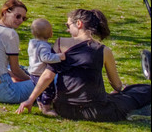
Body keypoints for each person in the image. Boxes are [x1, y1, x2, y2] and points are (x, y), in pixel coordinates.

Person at [18, 8, 152, 121]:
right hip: (97, 111)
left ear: (79, 24)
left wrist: (30, 100)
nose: (67, 31)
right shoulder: (103, 50)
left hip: (65, 109)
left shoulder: (60, 44)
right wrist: (118, 89)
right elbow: (117, 85)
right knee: (141, 91)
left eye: (68, 26)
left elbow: (48, 75)